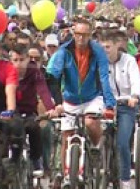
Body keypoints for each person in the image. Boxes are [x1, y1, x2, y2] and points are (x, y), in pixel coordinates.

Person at [46, 18, 116, 162]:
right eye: (78, 34)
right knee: (67, 137)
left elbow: (104, 78)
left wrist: (109, 104)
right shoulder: (63, 52)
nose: (81, 38)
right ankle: (66, 175)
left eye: (85, 34)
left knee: (90, 123)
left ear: (90, 35)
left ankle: (97, 148)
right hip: (70, 99)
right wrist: (58, 103)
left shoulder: (98, 51)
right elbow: (54, 79)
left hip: (92, 97)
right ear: (73, 33)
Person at [103, 32, 140, 189]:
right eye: (101, 47)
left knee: (122, 143)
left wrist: (134, 96)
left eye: (108, 47)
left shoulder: (129, 61)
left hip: (126, 106)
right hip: (107, 106)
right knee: (98, 137)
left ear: (116, 46)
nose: (105, 51)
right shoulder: (99, 63)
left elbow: (136, 81)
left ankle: (125, 181)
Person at [9, 44, 58, 176]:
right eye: (15, 60)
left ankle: (36, 160)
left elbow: (43, 90)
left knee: (34, 128)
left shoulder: (34, 72)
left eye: (22, 60)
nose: (18, 64)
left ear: (27, 59)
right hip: (11, 112)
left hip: (29, 111)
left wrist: (50, 109)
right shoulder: (7, 71)